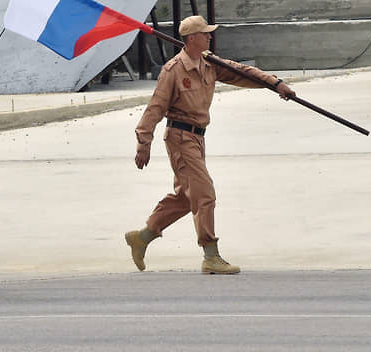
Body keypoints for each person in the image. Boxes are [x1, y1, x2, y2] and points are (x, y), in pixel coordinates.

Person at [124, 16, 296, 274]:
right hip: (180, 138)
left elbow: (241, 73)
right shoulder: (173, 71)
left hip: (198, 138)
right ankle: (211, 256)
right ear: (192, 39)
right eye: (205, 34)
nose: (210, 37)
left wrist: (275, 84)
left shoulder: (209, 63)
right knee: (205, 194)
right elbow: (156, 108)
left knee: (185, 198)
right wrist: (143, 142)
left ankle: (142, 237)